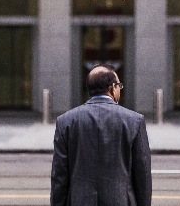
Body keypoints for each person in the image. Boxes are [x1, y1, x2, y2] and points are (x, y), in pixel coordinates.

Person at [50, 63, 152, 206]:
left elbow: (59, 177)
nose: (119, 90)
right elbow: (143, 176)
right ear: (112, 88)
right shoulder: (134, 121)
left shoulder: (65, 121)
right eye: (119, 86)